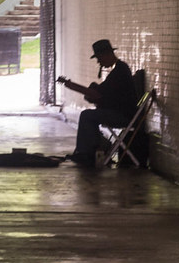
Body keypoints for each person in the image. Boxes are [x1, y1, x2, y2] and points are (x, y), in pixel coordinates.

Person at [58, 39, 139, 168]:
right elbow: (103, 93)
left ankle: (87, 152)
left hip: (123, 116)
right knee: (89, 116)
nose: (98, 62)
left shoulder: (119, 72)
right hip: (121, 113)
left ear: (106, 55)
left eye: (99, 58)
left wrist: (71, 86)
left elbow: (97, 94)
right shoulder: (119, 69)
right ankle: (91, 149)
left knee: (87, 116)